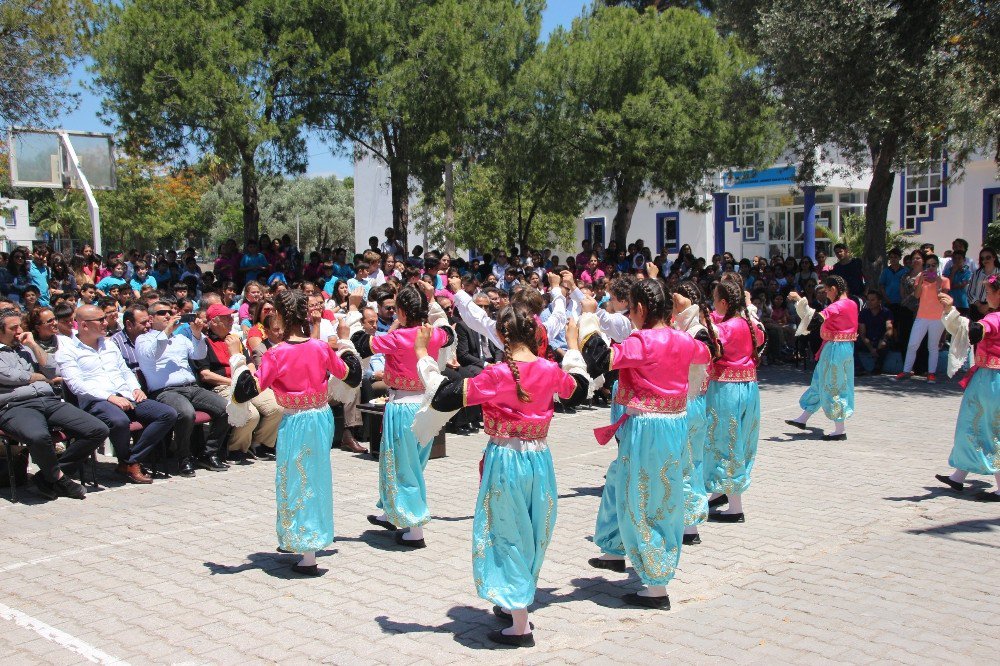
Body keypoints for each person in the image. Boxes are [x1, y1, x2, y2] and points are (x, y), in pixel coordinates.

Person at [415, 307, 589, 647]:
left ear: (503, 337)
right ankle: (516, 601)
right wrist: (572, 345)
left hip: (506, 459)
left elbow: (443, 396)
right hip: (539, 459)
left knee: (506, 532)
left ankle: (519, 623)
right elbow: (579, 389)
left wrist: (424, 354)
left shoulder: (495, 374)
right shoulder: (549, 369)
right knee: (533, 529)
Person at [579, 278, 710, 609]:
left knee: (639, 499)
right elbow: (706, 352)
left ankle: (655, 584)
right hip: (675, 425)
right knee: (663, 496)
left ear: (639, 308)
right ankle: (643, 566)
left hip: (646, 428)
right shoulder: (681, 340)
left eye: (631, 309)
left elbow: (600, 361)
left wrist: (589, 321)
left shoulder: (643, 341)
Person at [230, 289, 362, 574]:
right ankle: (311, 538)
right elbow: (349, 373)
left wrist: (235, 359)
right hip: (321, 417)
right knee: (316, 477)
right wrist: (346, 341)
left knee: (296, 479)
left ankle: (307, 550)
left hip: (295, 420)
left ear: (278, 315)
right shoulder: (318, 347)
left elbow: (247, 390)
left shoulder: (276, 354)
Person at [351, 283, 456, 547]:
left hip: (402, 407)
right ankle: (390, 510)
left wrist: (354, 311)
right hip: (426, 405)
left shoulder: (396, 338)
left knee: (402, 466)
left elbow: (361, 343)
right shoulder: (432, 334)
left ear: (401, 311)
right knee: (410, 463)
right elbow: (448, 333)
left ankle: (415, 527)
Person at [55, 305, 178, 484]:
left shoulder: (110, 345)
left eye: (105, 318)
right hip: (97, 401)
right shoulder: (68, 350)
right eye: (100, 320)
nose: (106, 323)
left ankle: (130, 461)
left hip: (125, 395)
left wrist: (135, 388)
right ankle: (129, 463)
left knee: (167, 414)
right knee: (119, 421)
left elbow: (125, 371)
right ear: (84, 325)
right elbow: (76, 385)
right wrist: (109, 397)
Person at [0, 308, 108, 500]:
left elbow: (52, 370)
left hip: (48, 400)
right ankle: (59, 478)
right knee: (38, 436)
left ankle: (47, 476)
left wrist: (33, 345)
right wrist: (36, 376)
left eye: (20, 326)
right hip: (16, 406)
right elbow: (9, 375)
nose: (19, 331)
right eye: (13, 328)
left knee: (97, 429)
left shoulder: (26, 347)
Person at [135, 300, 230, 477]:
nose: (168, 316)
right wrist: (167, 331)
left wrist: (196, 334)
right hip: (165, 391)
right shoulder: (143, 339)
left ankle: (208, 453)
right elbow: (152, 354)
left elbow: (199, 354)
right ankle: (183, 458)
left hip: (191, 387)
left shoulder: (180, 338)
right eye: (162, 313)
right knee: (186, 414)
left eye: (170, 313)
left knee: (226, 408)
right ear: (151, 318)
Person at [703, 280, 764, 523]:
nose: (713, 303)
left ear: (724, 303)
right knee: (741, 439)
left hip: (725, 391)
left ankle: (735, 507)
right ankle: (721, 491)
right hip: (749, 388)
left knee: (725, 442)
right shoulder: (751, 325)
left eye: (715, 299)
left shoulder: (725, 329)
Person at [934, 278, 1000, 501]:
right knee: (972, 425)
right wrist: (950, 309)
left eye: (989, 291)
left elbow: (979, 329)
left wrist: (973, 324)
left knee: (989, 429)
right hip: (986, 379)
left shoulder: (994, 317)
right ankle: (958, 477)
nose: (986, 296)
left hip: (992, 381)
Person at [193, 304, 282, 462]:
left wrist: (252, 378)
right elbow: (205, 374)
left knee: (277, 407)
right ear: (213, 322)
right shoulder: (203, 343)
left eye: (230, 317)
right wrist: (233, 381)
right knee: (250, 414)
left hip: (246, 382)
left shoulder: (235, 338)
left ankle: (260, 444)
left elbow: (249, 362)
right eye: (226, 318)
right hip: (222, 385)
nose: (231, 320)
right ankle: (236, 449)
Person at [670, 281, 720, 546]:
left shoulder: (697, 333)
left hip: (689, 405)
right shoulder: (684, 330)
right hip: (692, 404)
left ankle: (689, 524)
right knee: (690, 462)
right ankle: (687, 521)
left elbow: (699, 357)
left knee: (688, 463)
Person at [786, 276, 859, 440]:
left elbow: (815, 319)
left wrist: (799, 301)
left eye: (827, 290)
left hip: (835, 349)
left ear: (833, 289)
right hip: (841, 347)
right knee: (820, 381)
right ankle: (803, 418)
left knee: (834, 384)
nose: (826, 294)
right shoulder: (852, 303)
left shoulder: (838, 305)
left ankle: (840, 429)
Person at [896, 254, 950, 383]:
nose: (930, 268)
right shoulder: (920, 277)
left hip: (937, 317)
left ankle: (931, 373)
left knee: (932, 346)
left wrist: (937, 284)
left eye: (933, 265)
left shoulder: (944, 280)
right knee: (912, 344)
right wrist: (921, 281)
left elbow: (942, 298)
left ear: (937, 266)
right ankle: (906, 371)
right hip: (922, 316)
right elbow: (917, 295)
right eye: (928, 265)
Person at [854, 290, 894, 375]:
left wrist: (884, 340)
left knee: (886, 344)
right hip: (867, 340)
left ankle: (878, 366)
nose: (869, 302)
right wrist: (871, 348)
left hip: (880, 339)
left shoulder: (886, 312)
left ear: (879, 301)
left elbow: (889, 329)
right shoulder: (863, 313)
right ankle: (858, 367)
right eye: (868, 300)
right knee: (853, 344)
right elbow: (862, 334)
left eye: (873, 300)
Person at [967, 247, 999, 322]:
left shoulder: (999, 274)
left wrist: (987, 306)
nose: (985, 260)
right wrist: (979, 306)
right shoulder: (976, 274)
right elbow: (970, 292)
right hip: (976, 308)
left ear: (994, 257)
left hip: (994, 308)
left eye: (988, 257)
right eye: (982, 258)